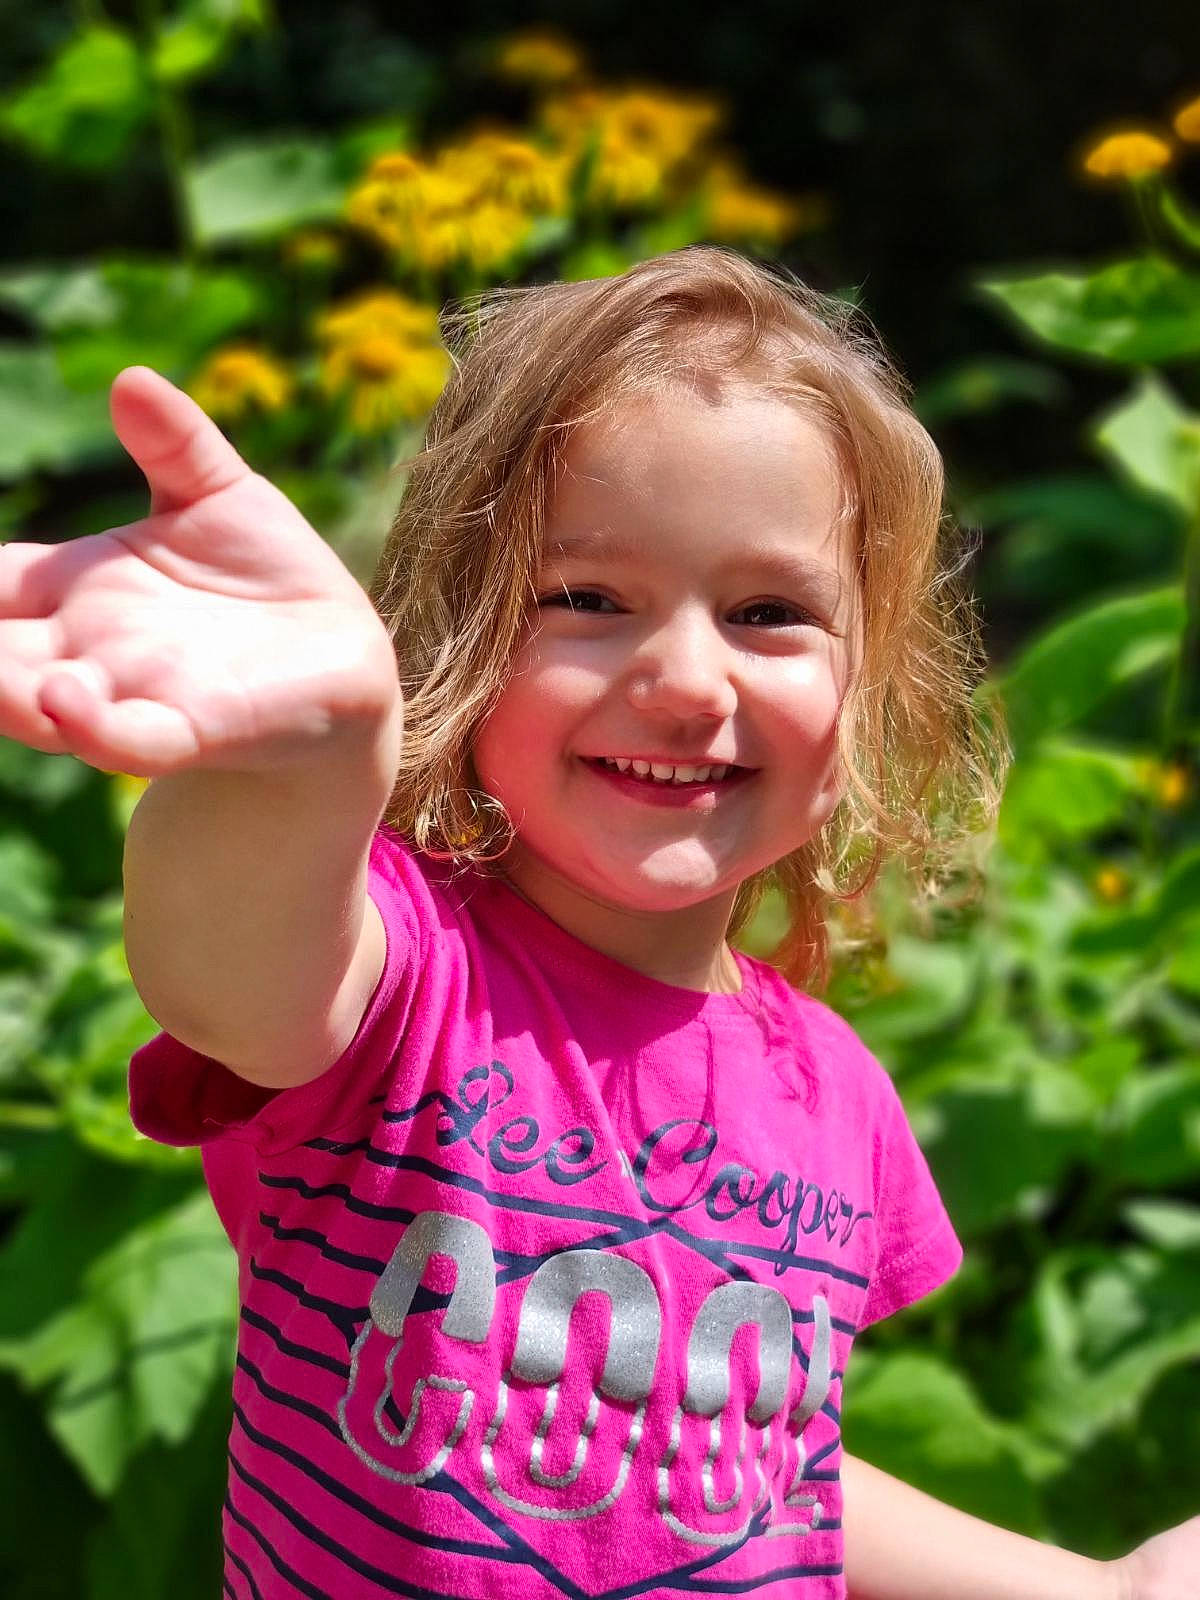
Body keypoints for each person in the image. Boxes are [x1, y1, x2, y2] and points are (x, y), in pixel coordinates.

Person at [0, 247, 1194, 1599]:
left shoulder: (839, 1096)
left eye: (769, 613)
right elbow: (232, 978)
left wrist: (1104, 1588)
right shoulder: (406, 973)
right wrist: (297, 766)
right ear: (460, 638)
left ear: (872, 691)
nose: (687, 679)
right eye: (585, 600)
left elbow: (757, 1464)